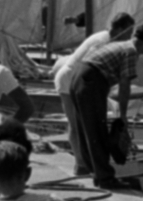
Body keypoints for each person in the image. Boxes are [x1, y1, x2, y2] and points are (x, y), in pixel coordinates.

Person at [64, 24, 143, 189]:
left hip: (78, 77)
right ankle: (106, 178)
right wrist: (122, 115)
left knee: (86, 130)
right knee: (97, 131)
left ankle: (96, 173)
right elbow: (125, 84)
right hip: (91, 81)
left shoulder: (119, 44)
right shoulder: (131, 52)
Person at [51, 13, 135, 178]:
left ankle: (83, 163)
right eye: (128, 32)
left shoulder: (105, 38)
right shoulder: (104, 41)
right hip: (71, 79)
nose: (130, 37)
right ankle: (81, 164)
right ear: (118, 29)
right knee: (76, 124)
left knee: (79, 124)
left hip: (74, 78)